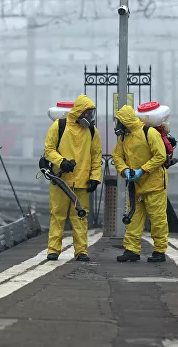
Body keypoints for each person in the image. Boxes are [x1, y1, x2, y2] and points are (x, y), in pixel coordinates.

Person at [44, 94, 102, 261]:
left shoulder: (91, 131)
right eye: (88, 113)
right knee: (58, 215)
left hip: (82, 182)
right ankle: (53, 249)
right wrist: (61, 162)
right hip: (61, 181)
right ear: (79, 112)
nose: (90, 117)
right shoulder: (59, 126)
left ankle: (81, 251)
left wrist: (95, 177)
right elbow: (49, 150)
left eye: (91, 113)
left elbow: (96, 156)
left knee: (80, 218)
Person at [111, 105, 169, 263]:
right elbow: (117, 156)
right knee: (134, 219)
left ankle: (159, 251)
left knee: (158, 220)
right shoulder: (124, 138)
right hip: (136, 187)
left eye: (119, 122)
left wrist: (142, 170)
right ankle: (131, 250)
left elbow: (160, 156)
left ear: (126, 121)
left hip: (154, 185)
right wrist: (124, 170)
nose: (117, 125)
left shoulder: (148, 133)